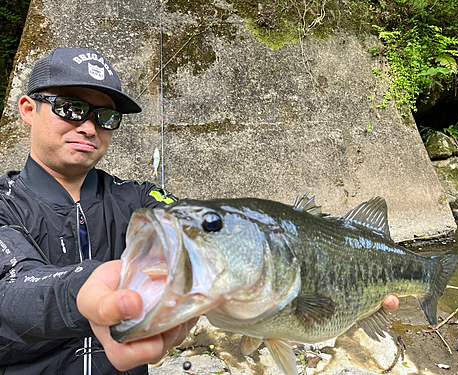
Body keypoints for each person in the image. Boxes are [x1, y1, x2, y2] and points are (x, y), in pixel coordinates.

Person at [0, 47, 399, 374]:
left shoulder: (141, 201)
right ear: (29, 109)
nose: (89, 127)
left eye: (105, 116)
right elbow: (10, 287)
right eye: (71, 108)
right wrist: (82, 289)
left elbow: (213, 227)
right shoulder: (4, 203)